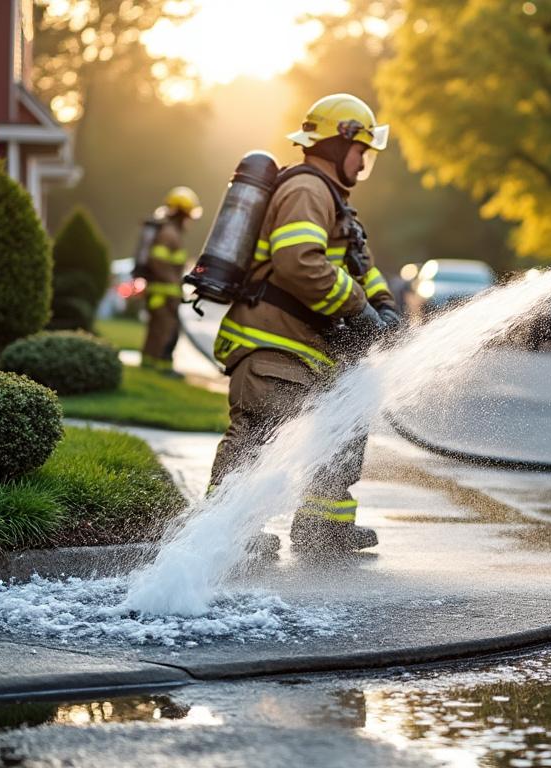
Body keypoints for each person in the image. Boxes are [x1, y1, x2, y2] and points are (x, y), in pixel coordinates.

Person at [209, 93, 399, 552]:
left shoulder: (334, 201)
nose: (364, 160)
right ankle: (224, 536)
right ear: (340, 143)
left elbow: (358, 263)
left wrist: (385, 307)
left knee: (342, 428)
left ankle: (324, 527)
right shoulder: (306, 190)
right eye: (362, 149)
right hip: (274, 347)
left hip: (304, 351)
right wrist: (359, 309)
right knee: (257, 442)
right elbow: (298, 261)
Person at [140, 187, 202, 376]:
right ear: (181, 214)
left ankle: (152, 367)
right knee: (164, 330)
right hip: (163, 293)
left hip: (164, 292)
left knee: (161, 329)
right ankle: (159, 369)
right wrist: (174, 284)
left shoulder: (171, 232)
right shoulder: (169, 234)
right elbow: (157, 261)